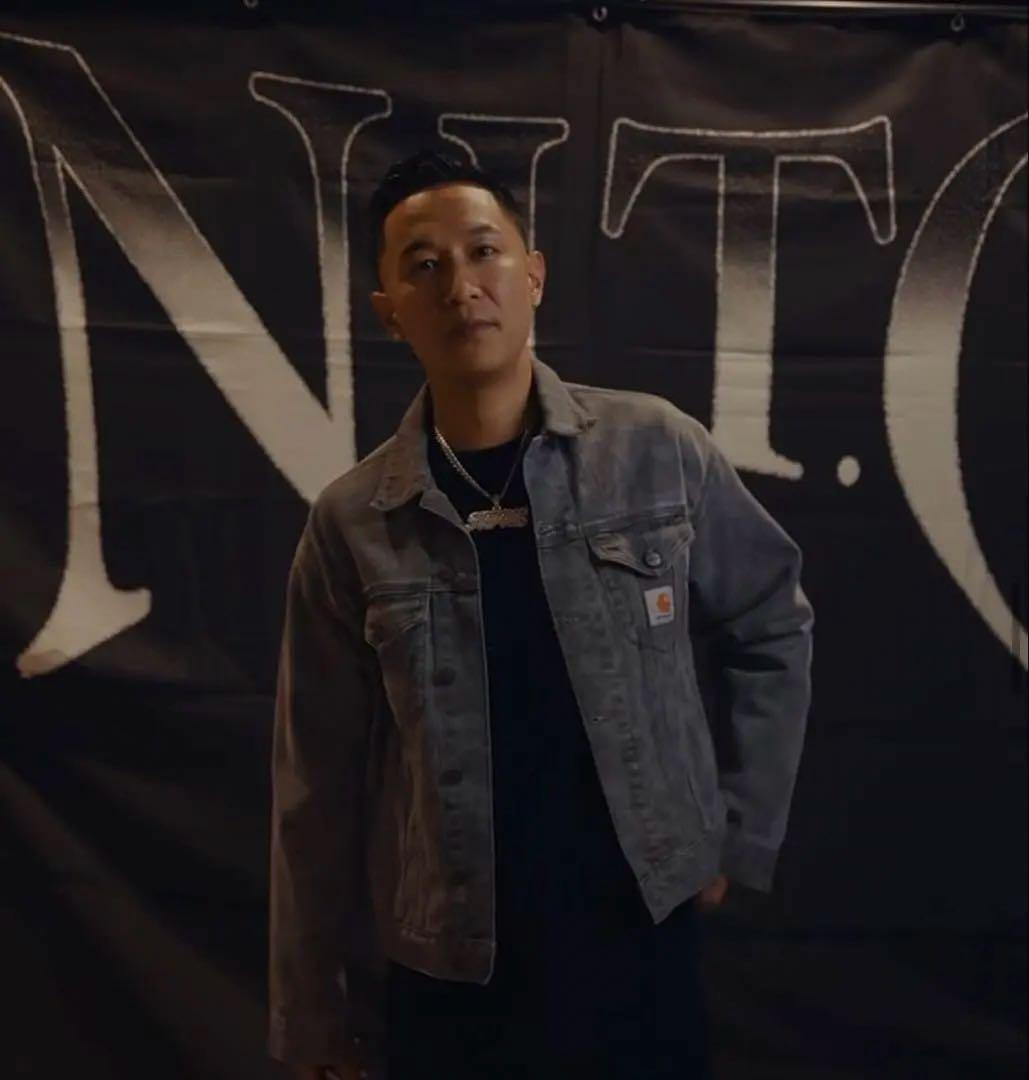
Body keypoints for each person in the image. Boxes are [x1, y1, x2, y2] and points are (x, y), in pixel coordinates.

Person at [268, 149, 813, 1080]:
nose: (460, 286)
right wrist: (313, 1013)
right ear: (389, 311)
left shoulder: (655, 450)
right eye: (424, 265)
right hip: (449, 967)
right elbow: (313, 786)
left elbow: (770, 621)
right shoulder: (352, 523)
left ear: (533, 274)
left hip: (639, 935)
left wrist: (737, 828)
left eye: (484, 251)